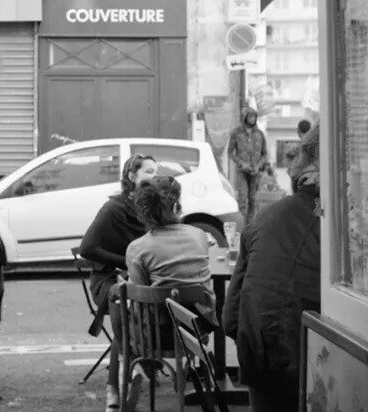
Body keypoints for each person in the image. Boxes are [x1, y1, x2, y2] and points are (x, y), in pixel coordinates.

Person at [223, 124, 321, 412]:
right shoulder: (338, 225)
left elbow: (230, 318)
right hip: (310, 371)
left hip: (259, 365)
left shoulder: (266, 218)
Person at [75, 154, 156, 411]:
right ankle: (117, 384)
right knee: (124, 304)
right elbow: (87, 248)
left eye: (156, 172)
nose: (154, 177)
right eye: (149, 172)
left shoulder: (152, 207)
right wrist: (124, 262)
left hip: (141, 279)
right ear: (132, 176)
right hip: (108, 278)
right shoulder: (113, 208)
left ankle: (134, 369)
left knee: (140, 306)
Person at [126, 176, 217, 328]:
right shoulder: (199, 235)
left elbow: (141, 295)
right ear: (175, 207)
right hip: (199, 325)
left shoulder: (137, 248)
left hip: (159, 330)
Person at [227, 106, 269, 223]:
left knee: (253, 199)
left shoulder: (259, 134)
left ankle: (251, 225)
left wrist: (259, 165)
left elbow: (265, 154)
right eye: (250, 116)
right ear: (244, 117)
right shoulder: (236, 132)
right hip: (242, 171)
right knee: (242, 198)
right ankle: (242, 225)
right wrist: (241, 163)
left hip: (255, 172)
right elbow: (230, 152)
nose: (252, 119)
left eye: (254, 117)